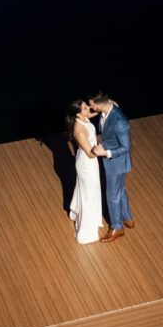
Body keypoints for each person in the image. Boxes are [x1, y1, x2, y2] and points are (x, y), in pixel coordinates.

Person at [88, 91, 133, 242]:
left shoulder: (120, 122)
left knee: (112, 196)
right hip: (117, 163)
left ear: (100, 104)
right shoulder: (110, 105)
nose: (91, 107)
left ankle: (117, 227)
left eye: (92, 105)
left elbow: (126, 148)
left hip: (116, 163)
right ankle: (127, 218)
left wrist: (105, 152)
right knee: (120, 190)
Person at [65, 100, 104, 244]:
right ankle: (85, 233)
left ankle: (75, 212)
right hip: (87, 164)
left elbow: (92, 113)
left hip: (88, 163)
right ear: (77, 113)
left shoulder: (83, 117)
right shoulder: (79, 130)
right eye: (84, 108)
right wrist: (102, 148)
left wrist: (103, 106)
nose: (87, 108)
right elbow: (90, 153)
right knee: (89, 195)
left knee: (87, 191)